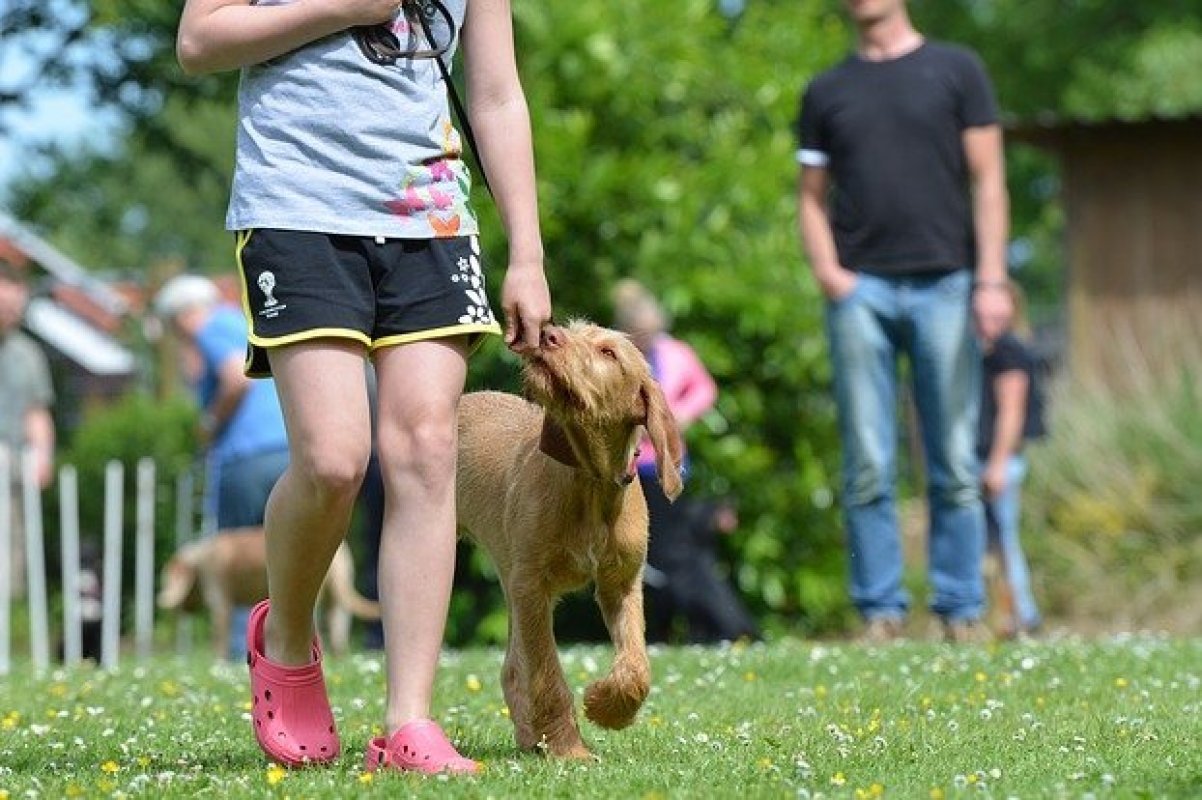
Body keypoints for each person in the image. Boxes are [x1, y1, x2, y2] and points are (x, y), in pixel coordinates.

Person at [176, 0, 552, 774]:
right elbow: (198, 41)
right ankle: (284, 636)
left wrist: (529, 253)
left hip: (432, 217)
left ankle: (410, 720)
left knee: (424, 448)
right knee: (334, 461)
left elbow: (496, 93)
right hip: (297, 207)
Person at [795, 0, 1013, 643]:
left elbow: (991, 181)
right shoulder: (826, 90)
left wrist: (992, 278)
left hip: (946, 284)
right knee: (867, 459)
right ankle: (880, 611)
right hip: (861, 292)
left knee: (952, 457)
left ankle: (960, 607)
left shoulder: (958, 70)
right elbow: (810, 197)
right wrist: (831, 274)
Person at [611, 279, 759, 644]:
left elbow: (705, 389)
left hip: (671, 464)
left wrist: (677, 416)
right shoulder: (617, 357)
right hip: (632, 467)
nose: (646, 339)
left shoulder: (675, 353)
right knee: (658, 557)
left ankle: (718, 629)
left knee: (672, 555)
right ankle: (687, 631)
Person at [153, 273, 291, 660]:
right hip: (283, 449)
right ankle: (288, 647)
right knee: (284, 550)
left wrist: (209, 422)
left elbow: (236, 379)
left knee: (229, 564)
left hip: (243, 458)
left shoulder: (210, 329)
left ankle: (239, 653)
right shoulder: (242, 322)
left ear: (181, 316)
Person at [977, 279, 1044, 640]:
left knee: (1002, 544)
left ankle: (1021, 616)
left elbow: (1011, 412)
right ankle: (1009, 617)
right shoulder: (991, 350)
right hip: (989, 460)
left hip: (997, 462)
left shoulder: (1008, 351)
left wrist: (997, 464)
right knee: (993, 546)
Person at [0, 257, 56, 601]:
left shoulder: (27, 354)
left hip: (12, 474)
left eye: (16, 306)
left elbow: (37, 412)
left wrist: (42, 456)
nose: (11, 312)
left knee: (9, 563)